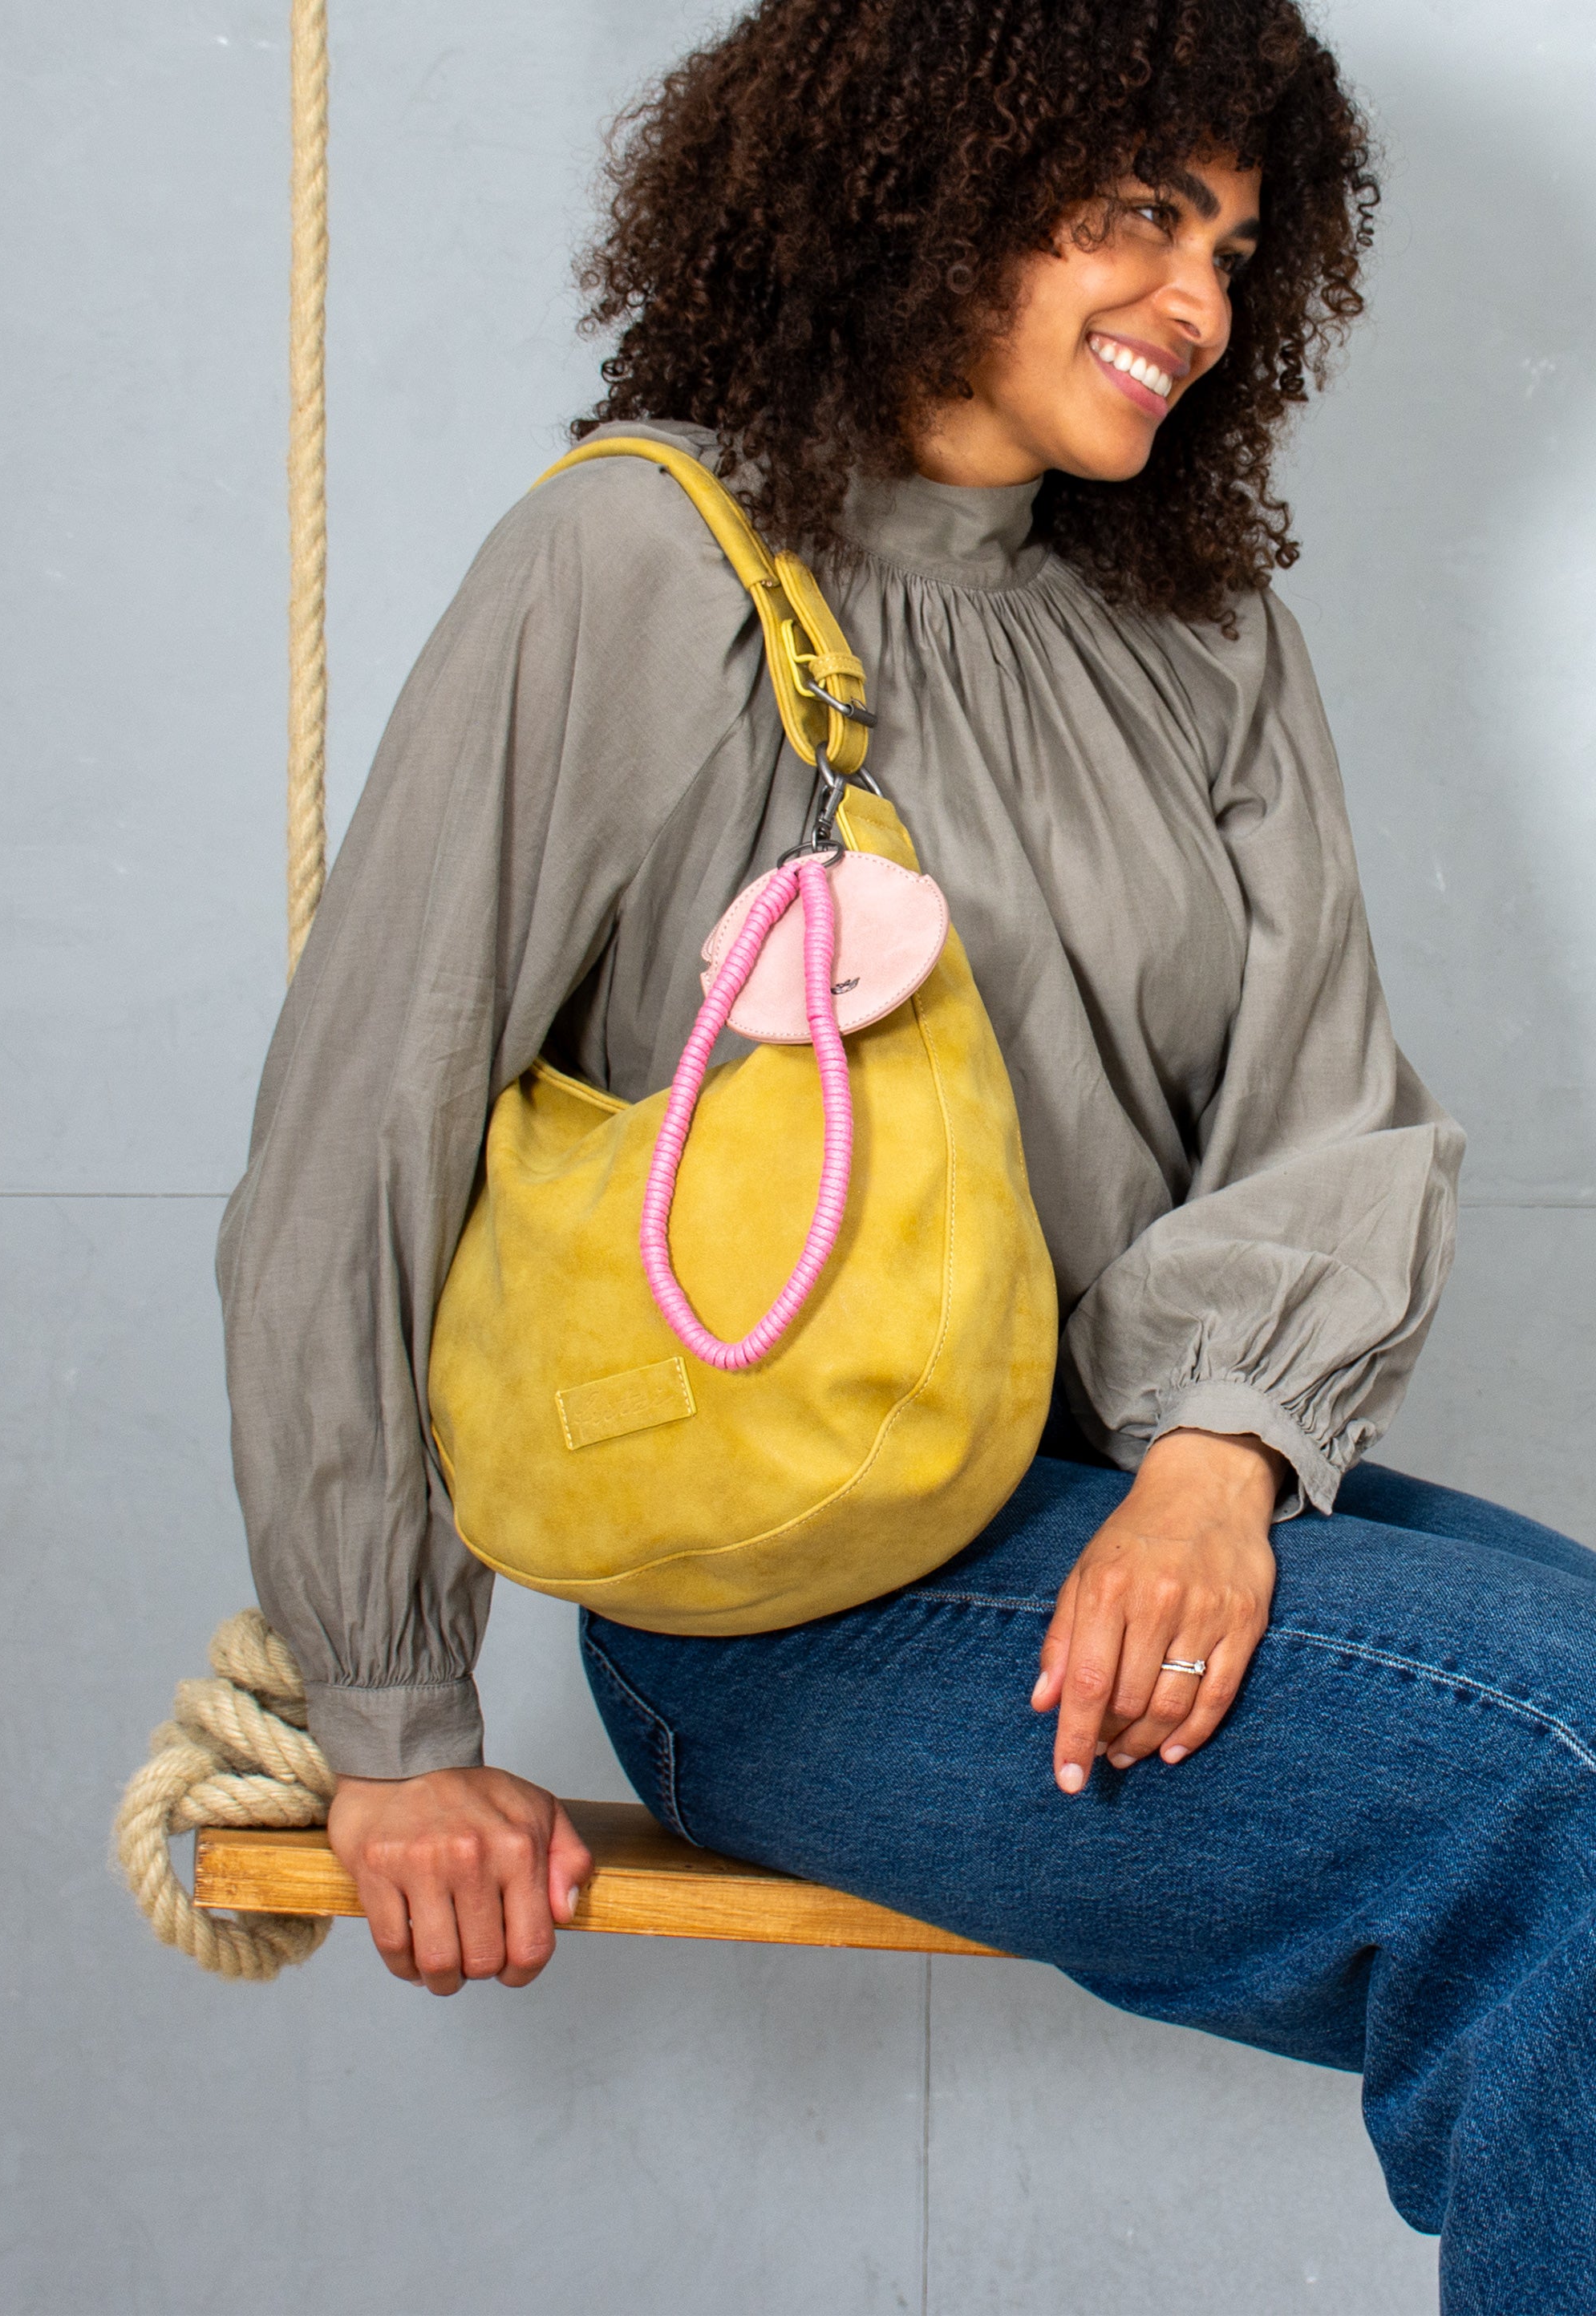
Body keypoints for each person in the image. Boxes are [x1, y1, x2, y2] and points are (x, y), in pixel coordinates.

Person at [217, 0, 1596, 2304]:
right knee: (1561, 1780)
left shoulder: (1200, 626)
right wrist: (387, 1719)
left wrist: (1214, 1464)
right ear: (931, 177)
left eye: (1237, 249)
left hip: (1133, 1509)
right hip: (789, 1603)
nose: (1196, 302)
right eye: (1139, 213)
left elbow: (1324, 1108)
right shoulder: (633, 568)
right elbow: (358, 1144)